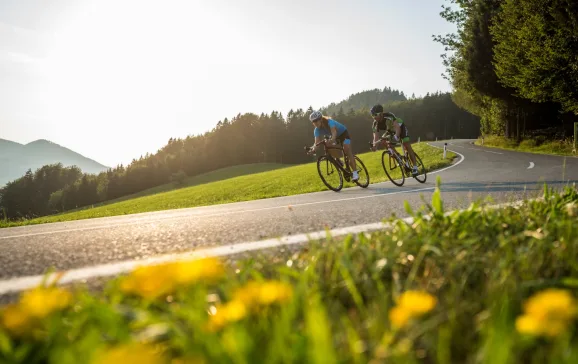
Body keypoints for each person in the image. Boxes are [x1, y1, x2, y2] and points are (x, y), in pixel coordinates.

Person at [307, 110, 358, 181]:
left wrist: (331, 140)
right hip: (334, 137)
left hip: (343, 134)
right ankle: (339, 160)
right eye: (313, 121)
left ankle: (355, 173)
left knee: (347, 150)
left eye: (316, 120)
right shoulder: (316, 130)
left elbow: (334, 133)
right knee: (328, 147)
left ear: (321, 119)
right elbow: (316, 143)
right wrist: (313, 149)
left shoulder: (329, 122)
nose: (315, 123)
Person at [370, 104, 418, 175]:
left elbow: (397, 127)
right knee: (383, 141)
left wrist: (396, 136)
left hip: (400, 127)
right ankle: (397, 156)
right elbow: (376, 137)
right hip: (390, 130)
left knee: (406, 145)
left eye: (375, 115)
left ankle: (415, 167)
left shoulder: (389, 116)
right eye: (372, 115)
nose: (374, 117)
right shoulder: (375, 124)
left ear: (381, 114)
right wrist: (374, 146)